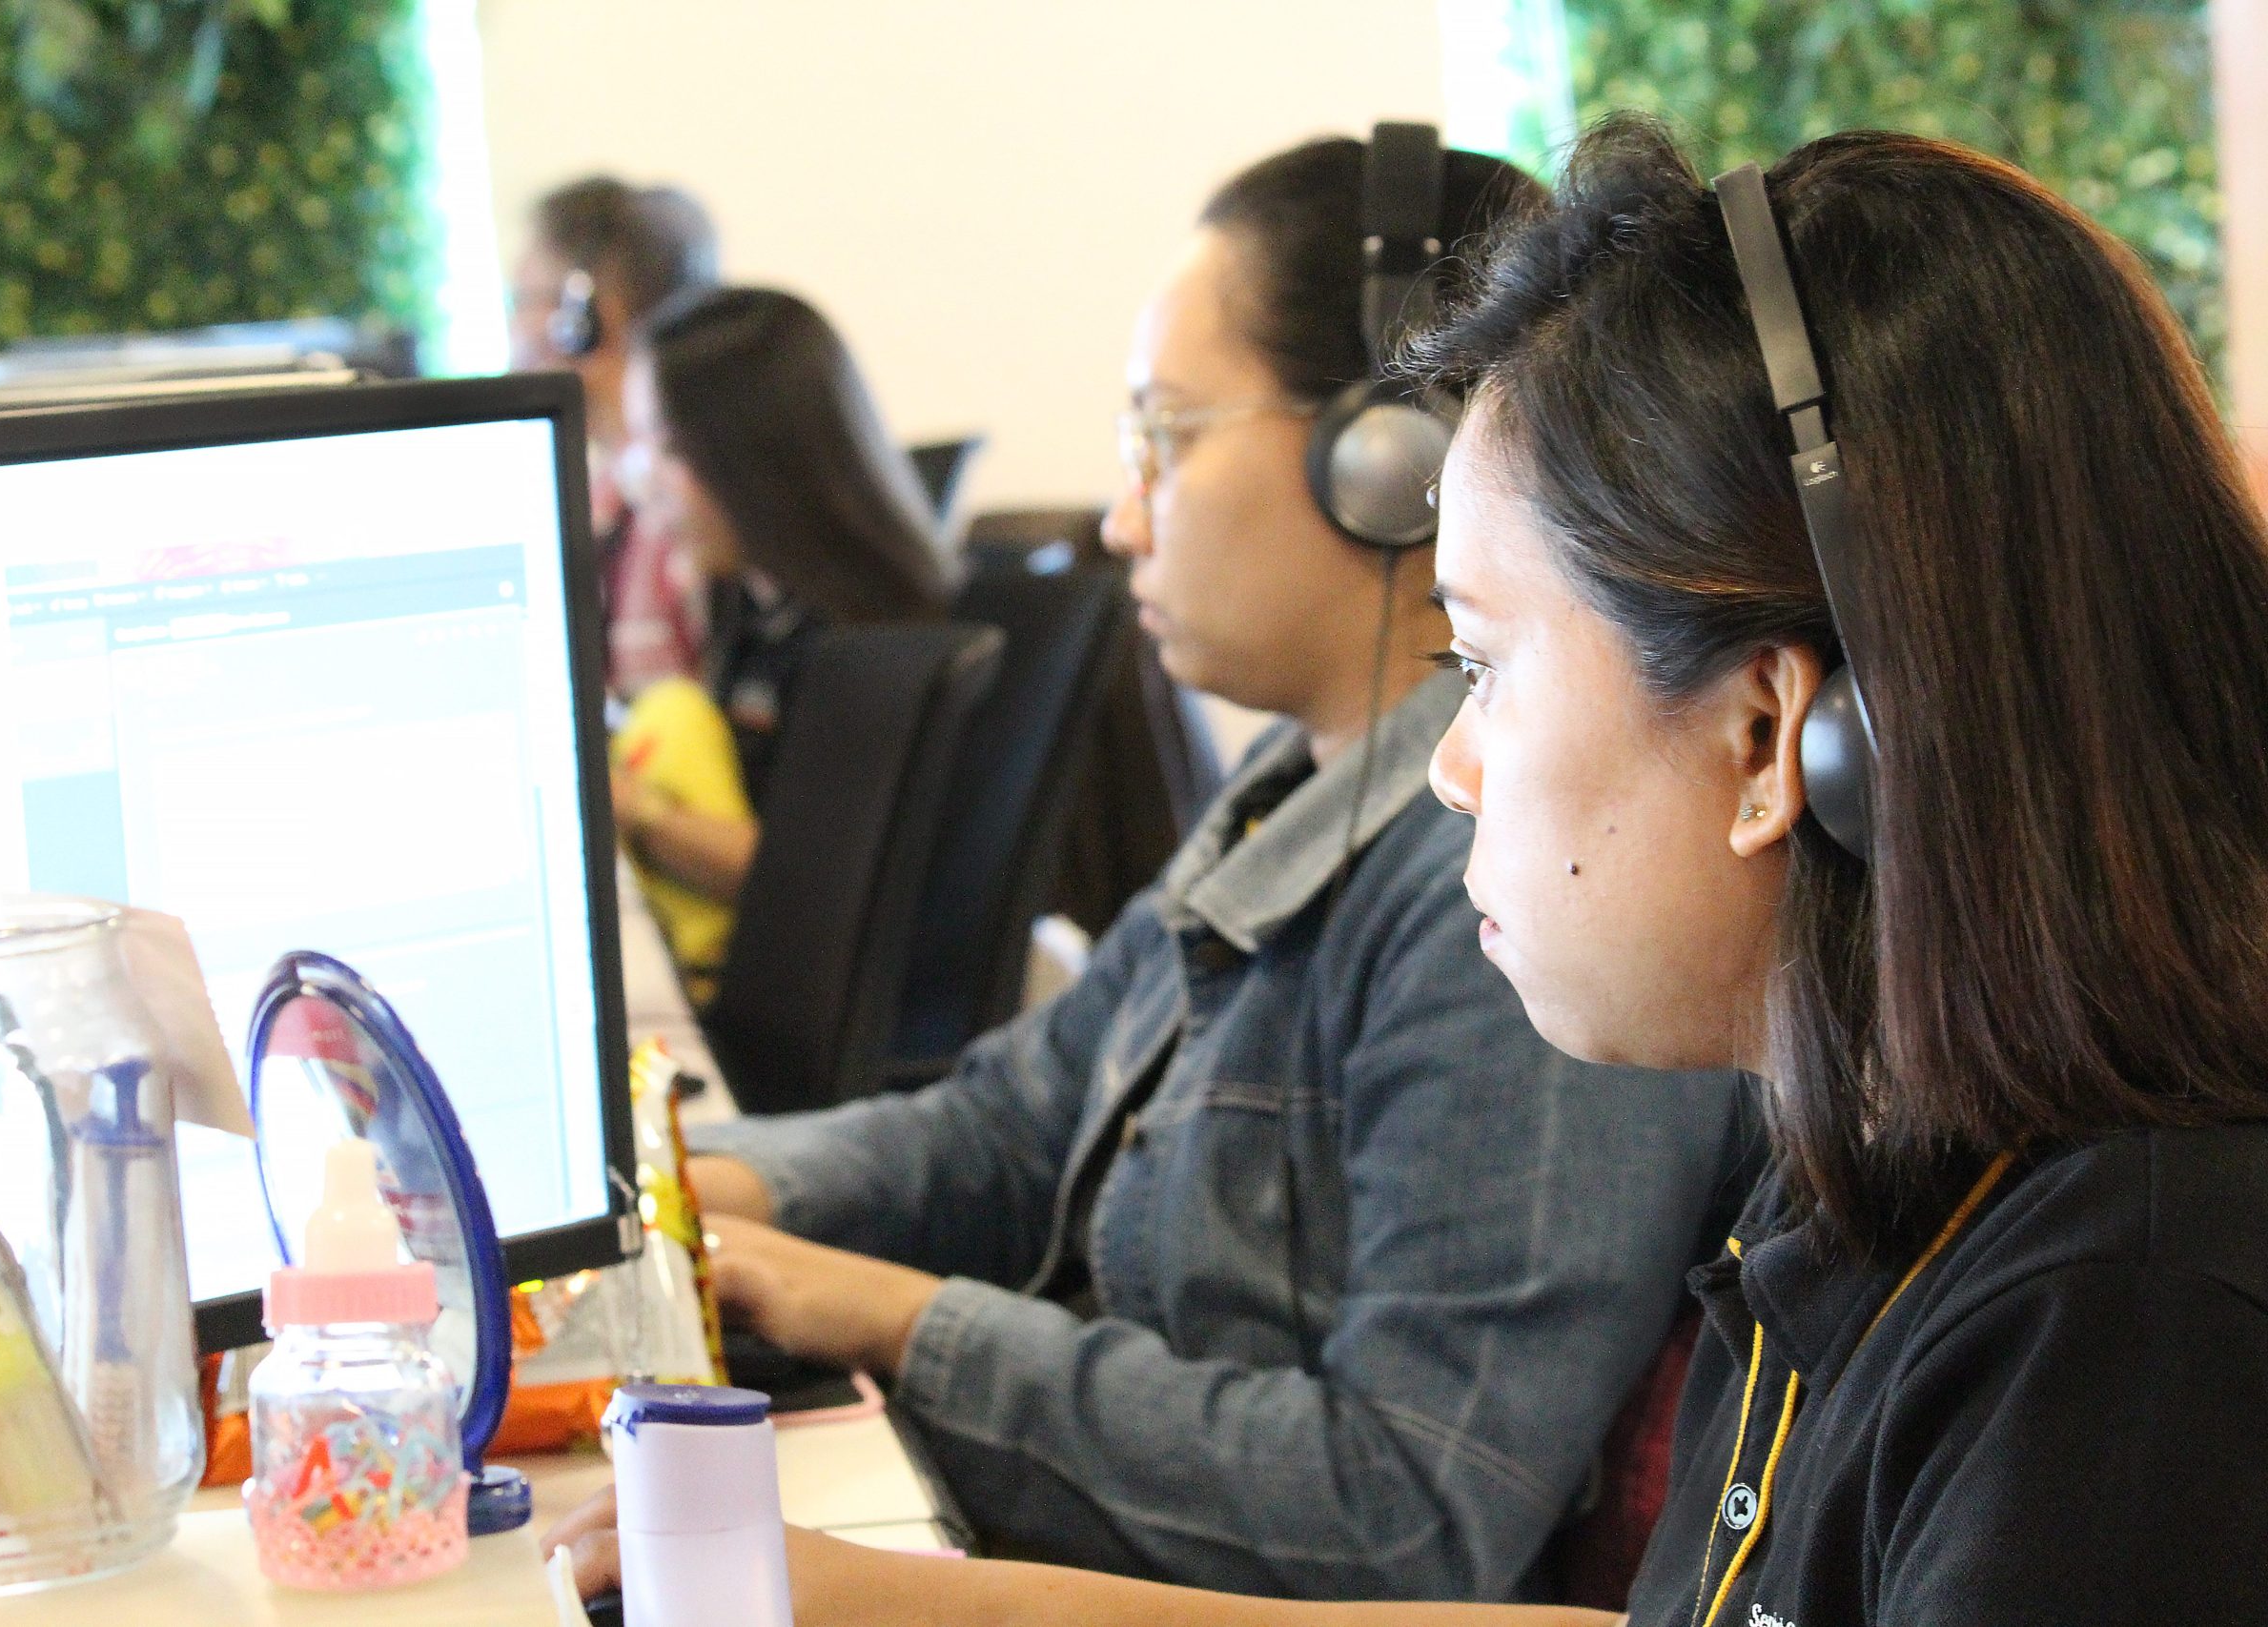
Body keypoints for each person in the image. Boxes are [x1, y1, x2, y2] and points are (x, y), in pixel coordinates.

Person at [674, 112, 2268, 1625]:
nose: (1451, 762)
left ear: (1772, 736)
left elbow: (1415, 1505)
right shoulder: (1877, 1148)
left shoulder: (2121, 1342)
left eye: (1488, 664)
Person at [551, 134, 1755, 1604]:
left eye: (1164, 437)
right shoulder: (1296, 777)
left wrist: (900, 1318)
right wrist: (682, 1194)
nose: (1123, 514)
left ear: (1389, 455)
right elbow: (1012, 1116)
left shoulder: (1505, 888)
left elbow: (1409, 1511)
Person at [613, 285, 951, 918]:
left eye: (669, 449)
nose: (644, 482)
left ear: (750, 456)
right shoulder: (751, 601)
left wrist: (632, 807)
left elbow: (806, 887)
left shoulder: (864, 642)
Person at [507, 176, 721, 697]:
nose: (512, 329)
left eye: (522, 301)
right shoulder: (612, 498)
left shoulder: (670, 515)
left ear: (581, 319)